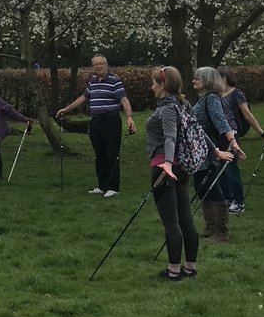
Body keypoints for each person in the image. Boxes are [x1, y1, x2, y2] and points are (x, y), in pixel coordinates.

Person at [145, 67, 233, 280]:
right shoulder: (183, 105)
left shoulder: (167, 108)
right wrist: (216, 151)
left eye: (154, 83)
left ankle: (173, 271)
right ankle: (190, 268)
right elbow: (199, 130)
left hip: (165, 169)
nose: (152, 87)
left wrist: (166, 163)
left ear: (163, 85)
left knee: (171, 222)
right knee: (186, 218)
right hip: (183, 169)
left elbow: (170, 137)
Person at [55, 55, 137, 197]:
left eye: (101, 64)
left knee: (111, 154)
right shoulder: (92, 81)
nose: (99, 66)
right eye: (96, 64)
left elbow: (123, 99)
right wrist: (66, 109)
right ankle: (102, 185)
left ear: (106, 65)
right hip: (96, 121)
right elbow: (83, 97)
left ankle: (113, 187)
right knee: (100, 154)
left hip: (111, 121)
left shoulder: (114, 80)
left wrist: (129, 117)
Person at [192, 67, 246, 242]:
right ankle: (210, 228)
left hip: (210, 148)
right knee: (202, 187)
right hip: (199, 148)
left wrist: (233, 142)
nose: (193, 81)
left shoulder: (212, 99)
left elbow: (221, 121)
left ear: (207, 80)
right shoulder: (202, 99)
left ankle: (221, 232)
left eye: (197, 78)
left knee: (211, 187)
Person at [217, 67, 264, 215]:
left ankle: (239, 201)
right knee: (220, 169)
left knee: (230, 168)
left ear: (226, 77)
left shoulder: (237, 94)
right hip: (218, 135)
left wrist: (262, 133)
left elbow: (247, 115)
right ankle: (227, 199)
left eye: (219, 76)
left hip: (232, 134)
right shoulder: (215, 95)